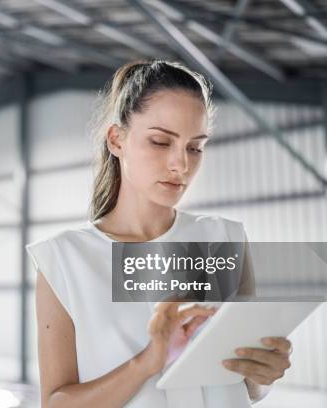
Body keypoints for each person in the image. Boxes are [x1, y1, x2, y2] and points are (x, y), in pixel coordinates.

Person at [25, 59, 292, 408]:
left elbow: (247, 386)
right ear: (117, 139)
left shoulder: (224, 238)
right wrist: (148, 361)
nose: (181, 165)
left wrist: (262, 373)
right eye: (160, 142)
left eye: (195, 147)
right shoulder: (64, 259)